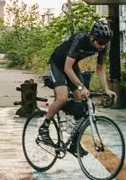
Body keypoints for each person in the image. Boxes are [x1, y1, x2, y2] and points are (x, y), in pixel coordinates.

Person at [39, 19, 115, 152]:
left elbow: (100, 69)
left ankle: (74, 143)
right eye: (101, 43)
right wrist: (81, 86)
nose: (103, 46)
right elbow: (66, 68)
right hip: (58, 63)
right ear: (92, 37)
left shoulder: (103, 46)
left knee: (81, 102)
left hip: (72, 65)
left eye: (105, 44)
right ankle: (43, 129)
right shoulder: (80, 39)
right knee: (62, 97)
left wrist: (106, 89)